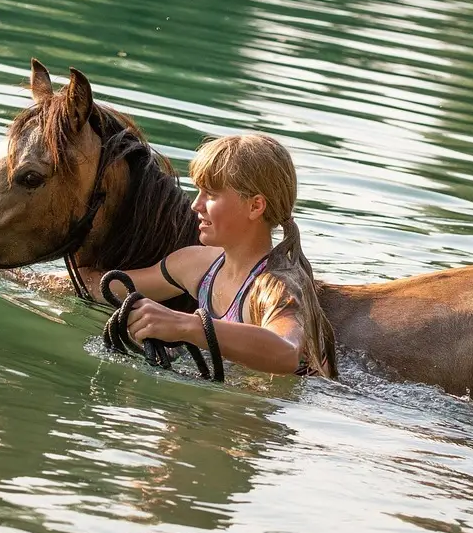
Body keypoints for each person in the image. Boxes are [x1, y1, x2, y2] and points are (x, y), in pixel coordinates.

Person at [88, 133, 338, 379]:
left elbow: (287, 353)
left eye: (211, 194)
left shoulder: (277, 286)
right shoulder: (197, 265)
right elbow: (106, 288)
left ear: (255, 206)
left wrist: (185, 325)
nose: (195, 205)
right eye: (198, 192)